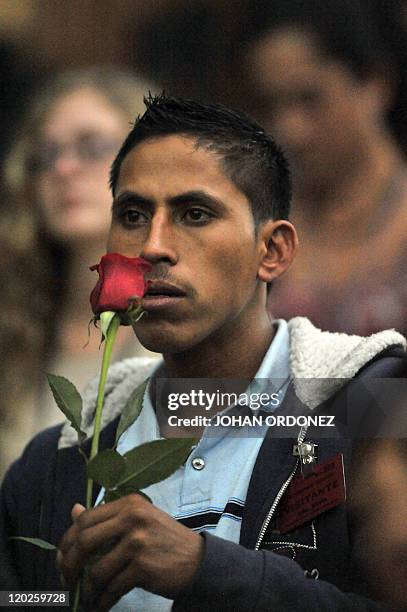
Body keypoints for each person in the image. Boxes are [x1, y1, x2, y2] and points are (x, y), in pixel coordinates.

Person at [1, 94, 406, 611]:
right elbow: (19, 599)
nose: (152, 245)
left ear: (273, 251)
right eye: (131, 214)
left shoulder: (373, 398)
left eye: (194, 213)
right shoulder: (58, 459)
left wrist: (205, 568)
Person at [0, 68, 158, 476]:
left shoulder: (198, 322)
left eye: (91, 148)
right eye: (47, 156)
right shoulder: (14, 322)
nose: (64, 169)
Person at [243, 0, 407, 336]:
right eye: (271, 105)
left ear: (375, 83)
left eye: (310, 98)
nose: (291, 129)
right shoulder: (260, 222)